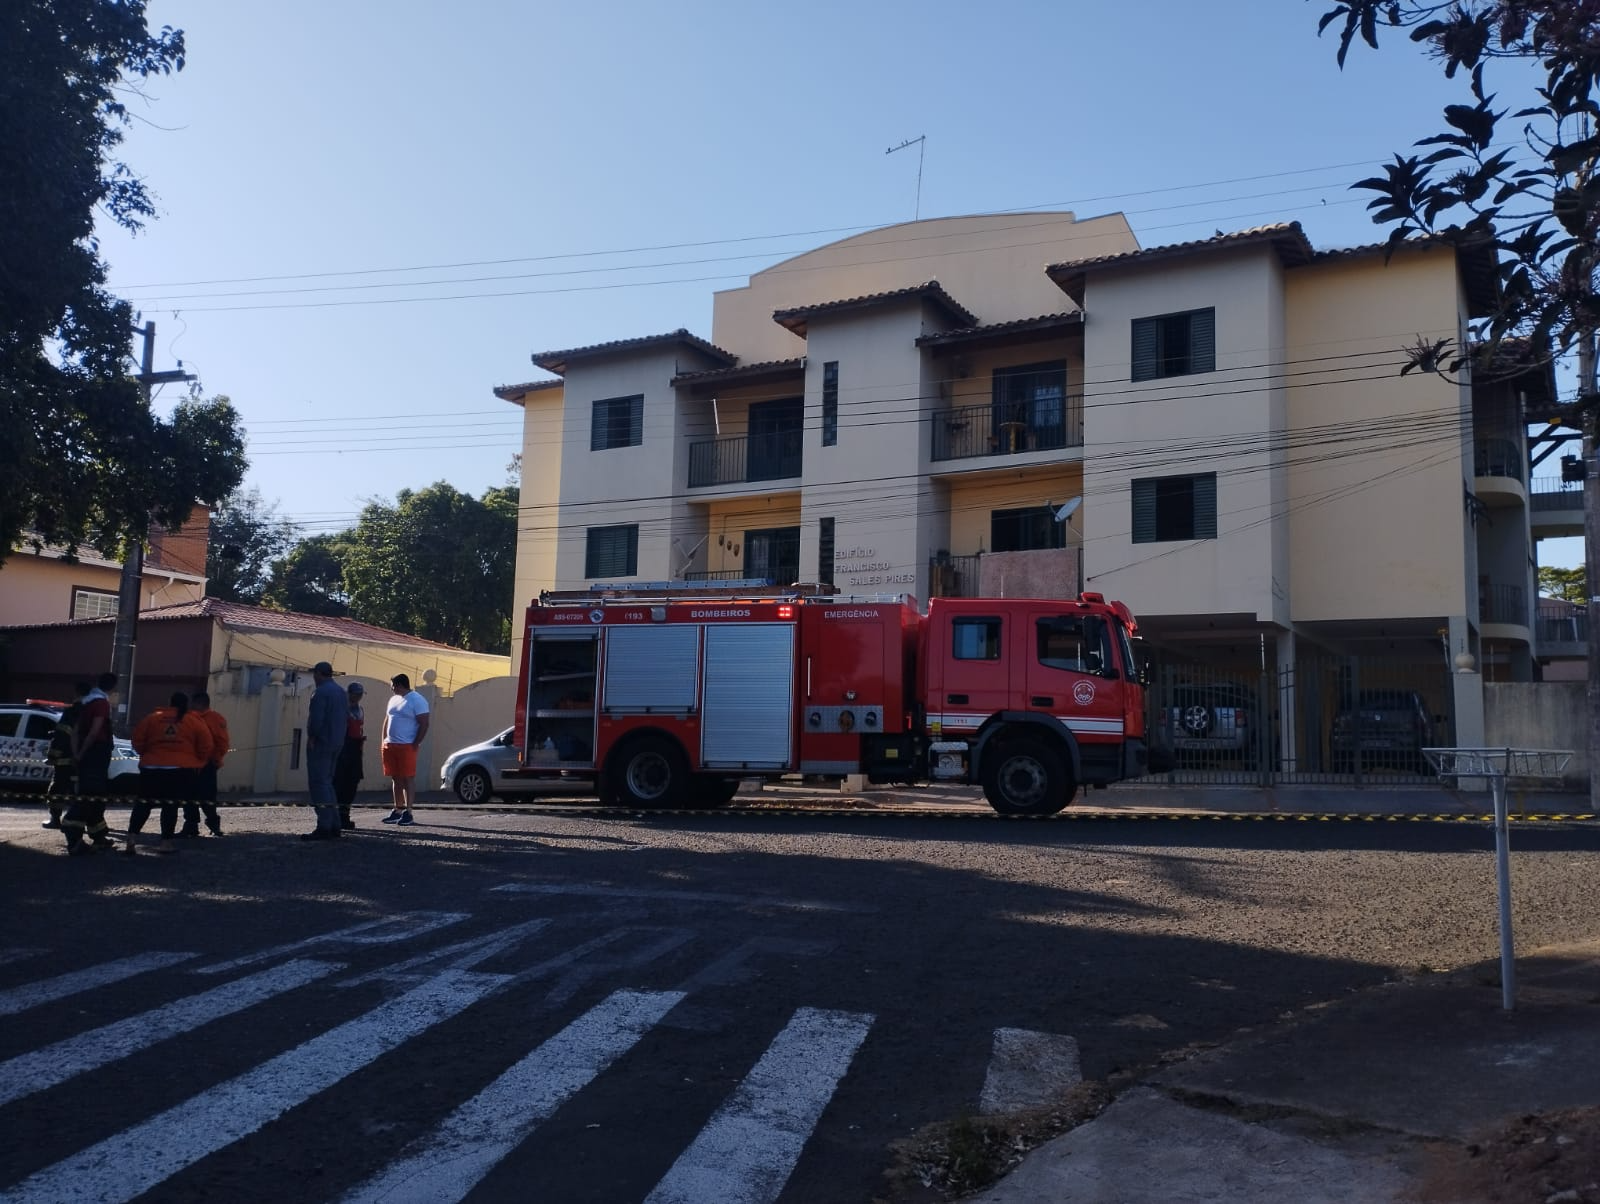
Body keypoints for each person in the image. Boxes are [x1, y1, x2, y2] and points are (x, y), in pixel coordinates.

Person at [128, 692, 213, 850]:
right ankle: (166, 842)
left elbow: (137, 740)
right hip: (178, 770)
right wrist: (196, 761)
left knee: (143, 804)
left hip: (150, 767)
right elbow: (206, 745)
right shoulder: (193, 721)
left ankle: (131, 839)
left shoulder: (152, 718)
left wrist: (148, 755)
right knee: (170, 805)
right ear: (186, 704)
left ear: (169, 703)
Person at [64, 672, 118, 855]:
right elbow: (94, 732)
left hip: (85, 754)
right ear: (112, 687)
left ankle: (99, 837)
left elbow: (75, 731)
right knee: (90, 795)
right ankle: (74, 838)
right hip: (95, 755)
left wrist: (76, 754)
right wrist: (82, 753)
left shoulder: (83, 702)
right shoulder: (101, 703)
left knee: (94, 796)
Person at [303, 662, 347, 840]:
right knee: (328, 784)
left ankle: (324, 825)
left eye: (315, 674)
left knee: (319, 784)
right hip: (336, 742)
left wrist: (312, 737)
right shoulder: (340, 692)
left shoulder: (320, 692)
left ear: (319, 674)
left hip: (321, 743)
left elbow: (316, 719)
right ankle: (335, 824)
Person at [381, 673, 430, 826]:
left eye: (393, 685)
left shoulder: (417, 700)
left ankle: (408, 811)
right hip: (391, 744)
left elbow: (424, 723)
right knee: (395, 777)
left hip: (406, 745)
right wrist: (384, 739)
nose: (392, 688)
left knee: (407, 777)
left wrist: (416, 743)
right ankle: (398, 809)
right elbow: (388, 719)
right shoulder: (393, 700)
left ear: (401, 685)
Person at [43, 683, 88, 829]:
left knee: (58, 789)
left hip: (65, 759)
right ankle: (84, 820)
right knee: (81, 790)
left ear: (76, 693)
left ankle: (55, 819)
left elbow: (62, 734)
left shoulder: (71, 712)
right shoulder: (93, 711)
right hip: (85, 759)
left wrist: (52, 755)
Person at [187, 692, 229, 837]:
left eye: (193, 703)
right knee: (190, 796)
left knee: (208, 797)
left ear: (199, 703)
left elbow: (222, 743)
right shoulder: (191, 718)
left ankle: (213, 824)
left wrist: (215, 760)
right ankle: (191, 826)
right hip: (191, 764)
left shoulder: (214, 719)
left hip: (207, 763)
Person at [333, 682, 366, 831]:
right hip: (343, 748)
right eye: (356, 694)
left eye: (360, 694)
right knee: (339, 783)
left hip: (355, 749)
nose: (358, 697)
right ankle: (336, 816)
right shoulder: (342, 709)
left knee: (352, 783)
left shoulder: (360, 710)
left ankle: (345, 815)